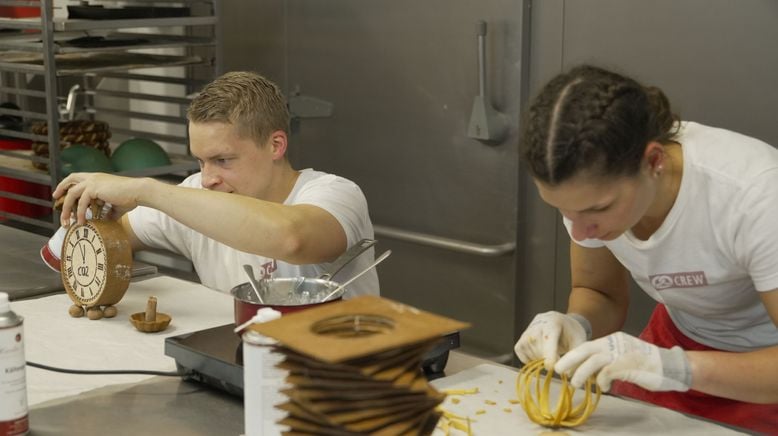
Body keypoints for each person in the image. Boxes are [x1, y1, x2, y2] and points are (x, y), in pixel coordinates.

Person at [513, 65, 778, 433]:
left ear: (654, 161)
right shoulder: (585, 196)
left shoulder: (756, 194)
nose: (581, 229)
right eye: (563, 211)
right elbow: (599, 292)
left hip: (764, 365)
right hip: (677, 338)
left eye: (598, 209)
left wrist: (672, 368)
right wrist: (577, 325)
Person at [51, 71, 379, 297]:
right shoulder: (196, 194)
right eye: (200, 161)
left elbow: (292, 239)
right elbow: (101, 244)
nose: (208, 179)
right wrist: (95, 217)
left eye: (223, 160)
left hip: (336, 378)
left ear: (276, 145)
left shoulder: (336, 194)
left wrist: (144, 190)